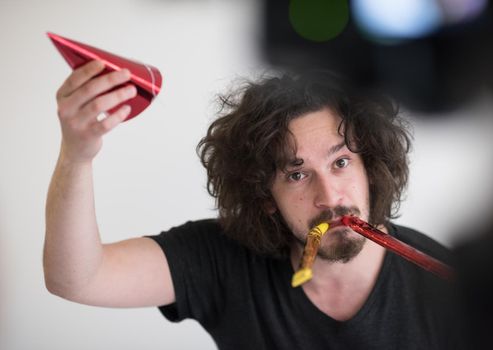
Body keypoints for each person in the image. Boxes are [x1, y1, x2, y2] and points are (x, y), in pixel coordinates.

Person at [44, 61, 459, 349]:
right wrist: (76, 155)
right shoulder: (223, 260)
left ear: (371, 168)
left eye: (341, 162)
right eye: (297, 174)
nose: (331, 198)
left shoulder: (451, 289)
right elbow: (78, 279)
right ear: (265, 197)